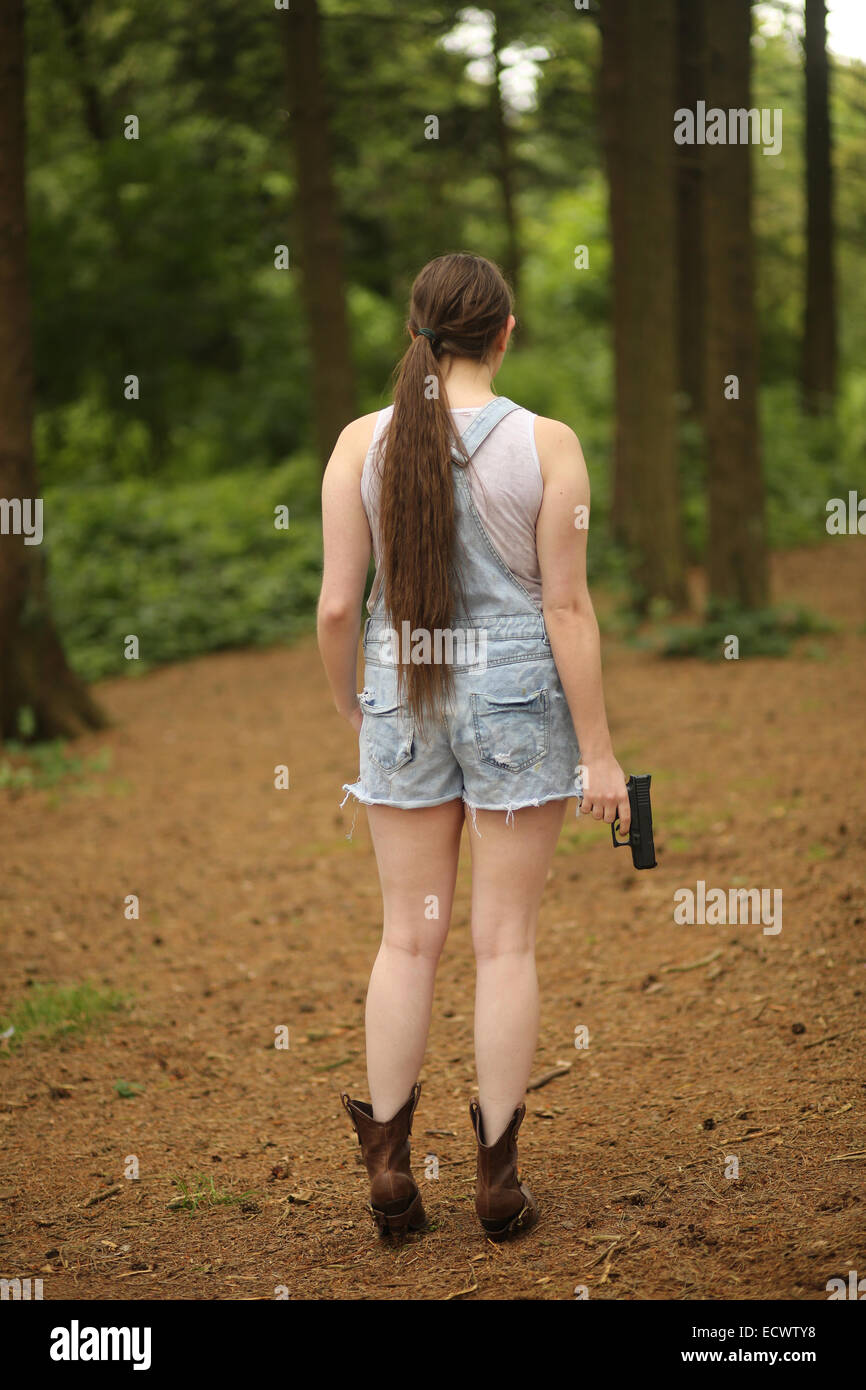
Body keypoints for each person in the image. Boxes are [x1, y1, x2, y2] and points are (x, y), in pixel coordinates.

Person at [317, 251, 629, 1241]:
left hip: (398, 692)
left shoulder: (358, 443)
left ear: (416, 334)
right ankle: (495, 1185)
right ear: (504, 334)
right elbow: (568, 608)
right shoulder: (548, 444)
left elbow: (335, 608)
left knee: (406, 937)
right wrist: (600, 754)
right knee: (504, 942)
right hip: (514, 698)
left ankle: (388, 1174)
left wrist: (354, 710)